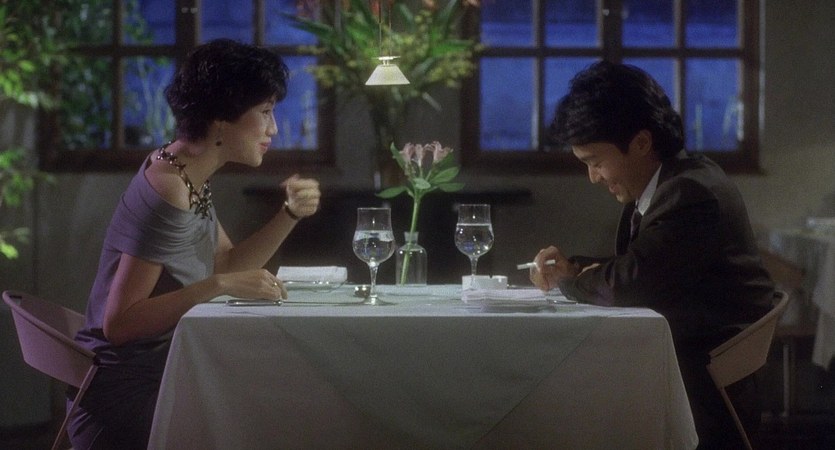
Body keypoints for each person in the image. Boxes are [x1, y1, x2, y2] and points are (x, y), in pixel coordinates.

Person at [67, 39, 321, 449]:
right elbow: (120, 324)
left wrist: (289, 214)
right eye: (265, 112)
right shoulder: (170, 187)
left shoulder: (185, 170)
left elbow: (226, 264)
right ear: (221, 120)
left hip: (164, 371)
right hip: (128, 394)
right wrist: (217, 287)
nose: (273, 128)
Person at [529, 61, 774, 449]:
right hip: (686, 365)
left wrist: (568, 282)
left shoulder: (689, 193)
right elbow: (647, 264)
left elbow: (630, 284)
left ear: (642, 143)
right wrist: (574, 268)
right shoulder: (679, 179)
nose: (593, 177)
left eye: (596, 162)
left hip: (701, 392)